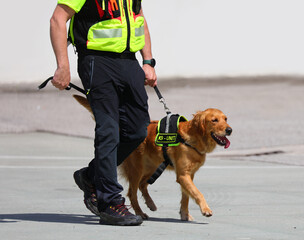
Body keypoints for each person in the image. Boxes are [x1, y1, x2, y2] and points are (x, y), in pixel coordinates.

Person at [50, 0, 157, 226]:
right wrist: (63, 65)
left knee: (138, 130)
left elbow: (139, 19)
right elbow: (58, 19)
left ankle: (90, 176)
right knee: (109, 130)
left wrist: (148, 61)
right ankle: (109, 202)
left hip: (130, 62)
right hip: (97, 61)